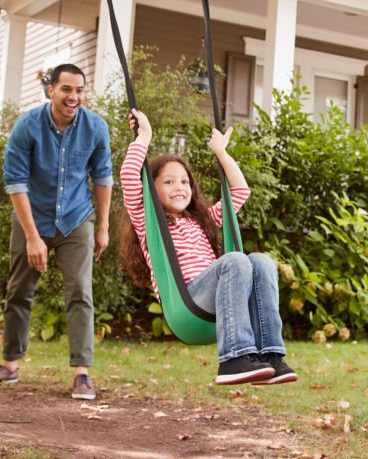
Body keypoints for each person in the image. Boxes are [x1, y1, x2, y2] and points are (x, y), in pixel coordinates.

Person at [118, 108, 296, 385]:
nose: (179, 187)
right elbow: (129, 178)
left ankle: (271, 354)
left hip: (223, 297)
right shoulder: (149, 221)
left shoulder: (203, 220)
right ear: (151, 189)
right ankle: (233, 358)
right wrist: (144, 136)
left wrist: (222, 153)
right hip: (186, 303)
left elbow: (240, 191)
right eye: (168, 182)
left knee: (260, 260)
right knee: (236, 260)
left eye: (184, 181)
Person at [0, 64, 113, 401]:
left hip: (76, 220)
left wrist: (103, 225)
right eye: (66, 89)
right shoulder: (28, 126)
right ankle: (9, 365)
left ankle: (82, 374)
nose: (73, 97)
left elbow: (103, 176)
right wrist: (32, 236)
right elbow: (15, 182)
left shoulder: (96, 127)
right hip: (31, 217)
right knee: (19, 290)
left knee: (80, 291)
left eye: (79, 90)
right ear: (51, 89)